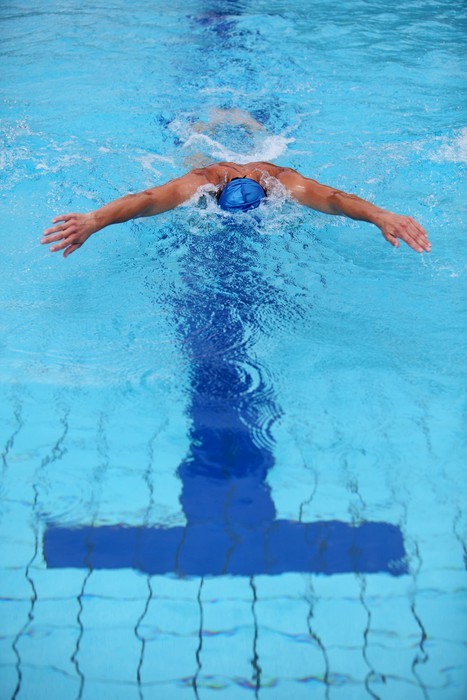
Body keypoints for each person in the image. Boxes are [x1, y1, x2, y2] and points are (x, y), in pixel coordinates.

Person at [41, 161, 431, 257]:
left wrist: (380, 215)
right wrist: (95, 219)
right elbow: (148, 199)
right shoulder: (201, 180)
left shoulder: (284, 180)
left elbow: (334, 198)